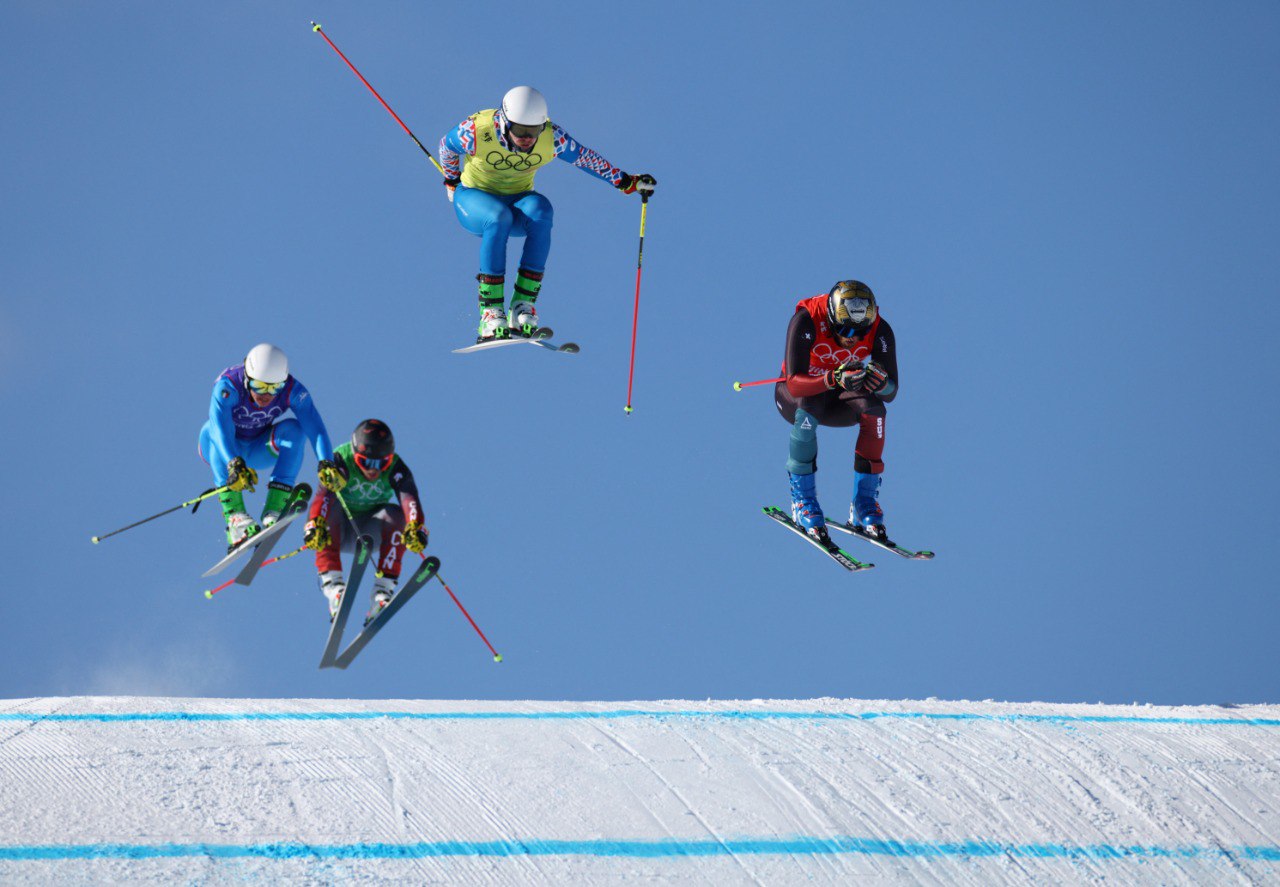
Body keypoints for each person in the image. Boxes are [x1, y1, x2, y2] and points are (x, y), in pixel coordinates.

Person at [438, 85, 657, 342]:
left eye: (533, 131)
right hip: (475, 200)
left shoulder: (552, 137)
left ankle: (522, 306)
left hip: (516, 200)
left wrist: (625, 182)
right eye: (520, 131)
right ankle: (490, 311)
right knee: (498, 217)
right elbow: (447, 146)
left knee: (541, 210)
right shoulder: (476, 129)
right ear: (505, 122)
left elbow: (586, 158)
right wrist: (452, 180)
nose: (527, 138)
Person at [774, 281, 899, 545]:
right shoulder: (806, 320)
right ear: (831, 317)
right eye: (843, 329)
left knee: (876, 413)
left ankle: (864, 504)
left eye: (860, 332)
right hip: (801, 393)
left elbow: (892, 392)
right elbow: (794, 382)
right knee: (806, 415)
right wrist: (832, 378)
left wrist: (881, 383)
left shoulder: (881, 330)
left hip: (840, 394)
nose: (852, 337)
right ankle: (803, 502)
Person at [198, 343, 338, 550]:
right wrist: (233, 463)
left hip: (258, 449)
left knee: (295, 429)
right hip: (223, 448)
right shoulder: (229, 386)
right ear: (247, 378)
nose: (267, 395)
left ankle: (274, 509)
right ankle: (235, 518)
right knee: (210, 428)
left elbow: (314, 427)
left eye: (274, 388)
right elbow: (219, 428)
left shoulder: (292, 390)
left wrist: (326, 462)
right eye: (260, 386)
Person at [301, 419, 428, 623]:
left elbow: (410, 499)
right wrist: (314, 523)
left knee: (397, 515)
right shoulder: (341, 460)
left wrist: (416, 527)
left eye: (381, 463)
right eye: (366, 462)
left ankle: (382, 593)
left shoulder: (396, 468)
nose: (373, 469)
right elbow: (323, 496)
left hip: (372, 530)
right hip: (339, 529)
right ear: (355, 454)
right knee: (330, 506)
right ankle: (334, 588)